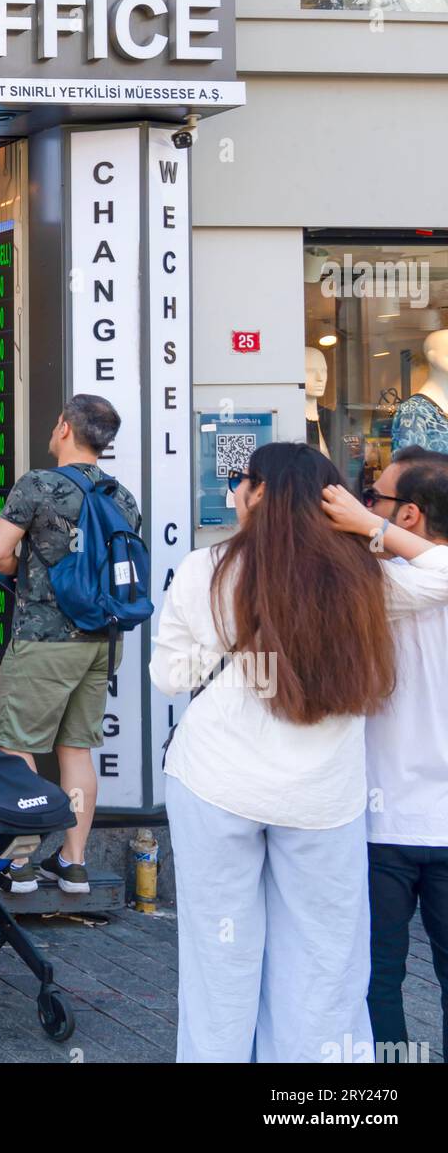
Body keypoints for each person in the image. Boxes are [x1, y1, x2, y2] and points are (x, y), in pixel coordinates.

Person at [150, 442, 448, 1063]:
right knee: (322, 960)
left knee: (219, 952)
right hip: (322, 795)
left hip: (214, 782)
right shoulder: (365, 575)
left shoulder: (207, 568)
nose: (233, 492)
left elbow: (171, 676)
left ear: (260, 493)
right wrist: (373, 528)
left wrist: (230, 645)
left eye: (240, 482)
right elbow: (442, 572)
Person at [0, 394, 140, 895]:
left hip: (44, 638)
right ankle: (73, 864)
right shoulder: (122, 496)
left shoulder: (38, 485)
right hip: (101, 640)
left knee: (16, 747)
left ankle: (21, 863)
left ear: (65, 428)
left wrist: (23, 572)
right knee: (76, 751)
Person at [362, 445, 448, 1061]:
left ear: (409, 515)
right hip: (401, 817)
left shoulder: (379, 584)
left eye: (377, 499)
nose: (366, 506)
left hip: (382, 816)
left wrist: (367, 532)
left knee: (377, 981)